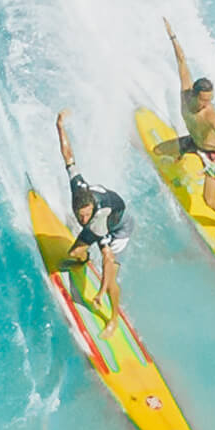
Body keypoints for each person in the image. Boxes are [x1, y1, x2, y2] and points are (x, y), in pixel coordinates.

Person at [156, 18, 215, 242]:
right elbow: (181, 61)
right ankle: (180, 158)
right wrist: (172, 36)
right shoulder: (185, 93)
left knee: (209, 200)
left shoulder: (210, 114)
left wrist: (211, 152)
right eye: (204, 99)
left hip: (212, 155)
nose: (207, 104)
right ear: (194, 94)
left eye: (210, 99)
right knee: (159, 150)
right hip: (193, 142)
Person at [54, 109, 128, 323]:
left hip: (118, 226)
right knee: (75, 253)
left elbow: (107, 259)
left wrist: (100, 291)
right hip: (104, 210)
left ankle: (113, 318)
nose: (83, 220)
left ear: (91, 208)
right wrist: (60, 126)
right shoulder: (78, 187)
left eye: (86, 216)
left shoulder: (98, 220)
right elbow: (68, 156)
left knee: (111, 278)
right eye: (81, 216)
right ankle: (85, 259)